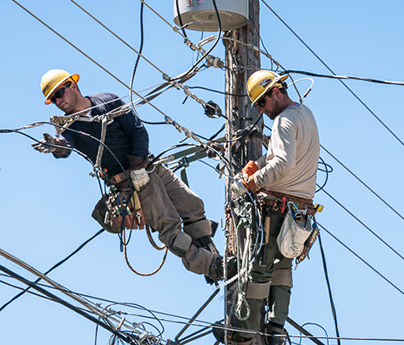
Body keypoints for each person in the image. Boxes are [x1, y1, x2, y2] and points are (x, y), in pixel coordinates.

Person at [33, 69, 224, 282]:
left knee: (193, 204)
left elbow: (137, 131)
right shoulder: (70, 128)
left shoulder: (107, 101)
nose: (58, 101)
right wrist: (55, 146)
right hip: (129, 183)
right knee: (168, 226)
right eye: (53, 99)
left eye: (59, 93)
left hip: (149, 166)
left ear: (72, 85)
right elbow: (65, 146)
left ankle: (210, 253)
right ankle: (212, 266)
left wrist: (139, 166)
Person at [230, 70, 320, 345]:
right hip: (299, 213)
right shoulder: (305, 114)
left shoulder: (282, 120)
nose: (260, 110)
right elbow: (280, 156)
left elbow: (283, 164)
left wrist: (251, 183)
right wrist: (258, 162)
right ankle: (276, 330)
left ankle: (243, 332)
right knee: (283, 269)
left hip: (277, 210)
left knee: (259, 270)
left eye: (261, 103)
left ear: (276, 92)